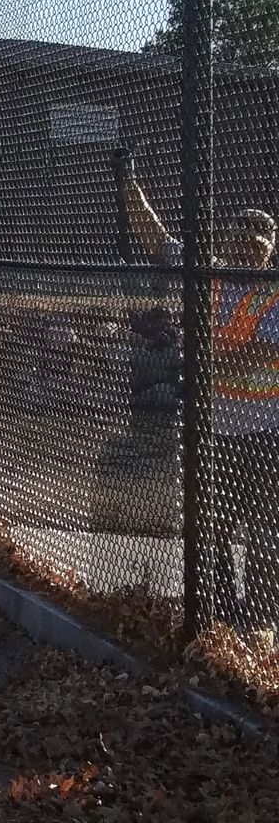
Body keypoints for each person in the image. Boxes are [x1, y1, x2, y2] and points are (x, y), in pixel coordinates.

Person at [120, 147, 279, 638]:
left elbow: (260, 355)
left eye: (260, 237)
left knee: (263, 534)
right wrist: (130, 188)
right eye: (241, 234)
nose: (249, 244)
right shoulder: (206, 276)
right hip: (209, 429)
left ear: (272, 246)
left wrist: (202, 357)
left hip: (262, 434)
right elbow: (157, 239)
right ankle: (212, 617)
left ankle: (258, 622)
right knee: (207, 528)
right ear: (227, 238)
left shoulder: (273, 292)